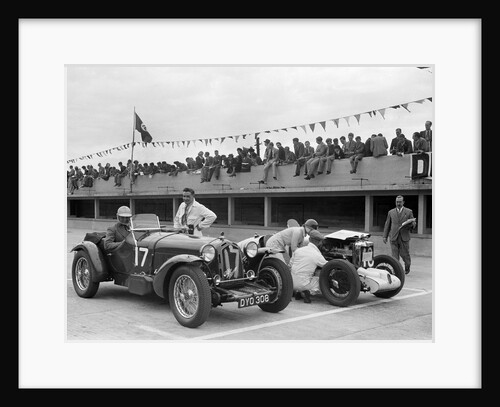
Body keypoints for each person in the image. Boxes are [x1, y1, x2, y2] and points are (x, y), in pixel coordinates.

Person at [290, 229, 327, 303]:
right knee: (323, 280)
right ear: (320, 242)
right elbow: (329, 266)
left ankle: (298, 292)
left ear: (309, 239)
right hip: (304, 284)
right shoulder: (317, 255)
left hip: (291, 282)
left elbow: (290, 265)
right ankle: (307, 292)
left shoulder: (298, 250)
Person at [382, 195, 417, 274]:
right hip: (393, 237)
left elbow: (413, 224)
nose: (398, 203)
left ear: (403, 202)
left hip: (404, 237)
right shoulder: (391, 212)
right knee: (394, 256)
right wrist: (385, 236)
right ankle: (396, 270)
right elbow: (387, 224)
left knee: (405, 255)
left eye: (400, 202)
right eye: (397, 202)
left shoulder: (409, 212)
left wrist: (412, 224)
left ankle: (407, 266)